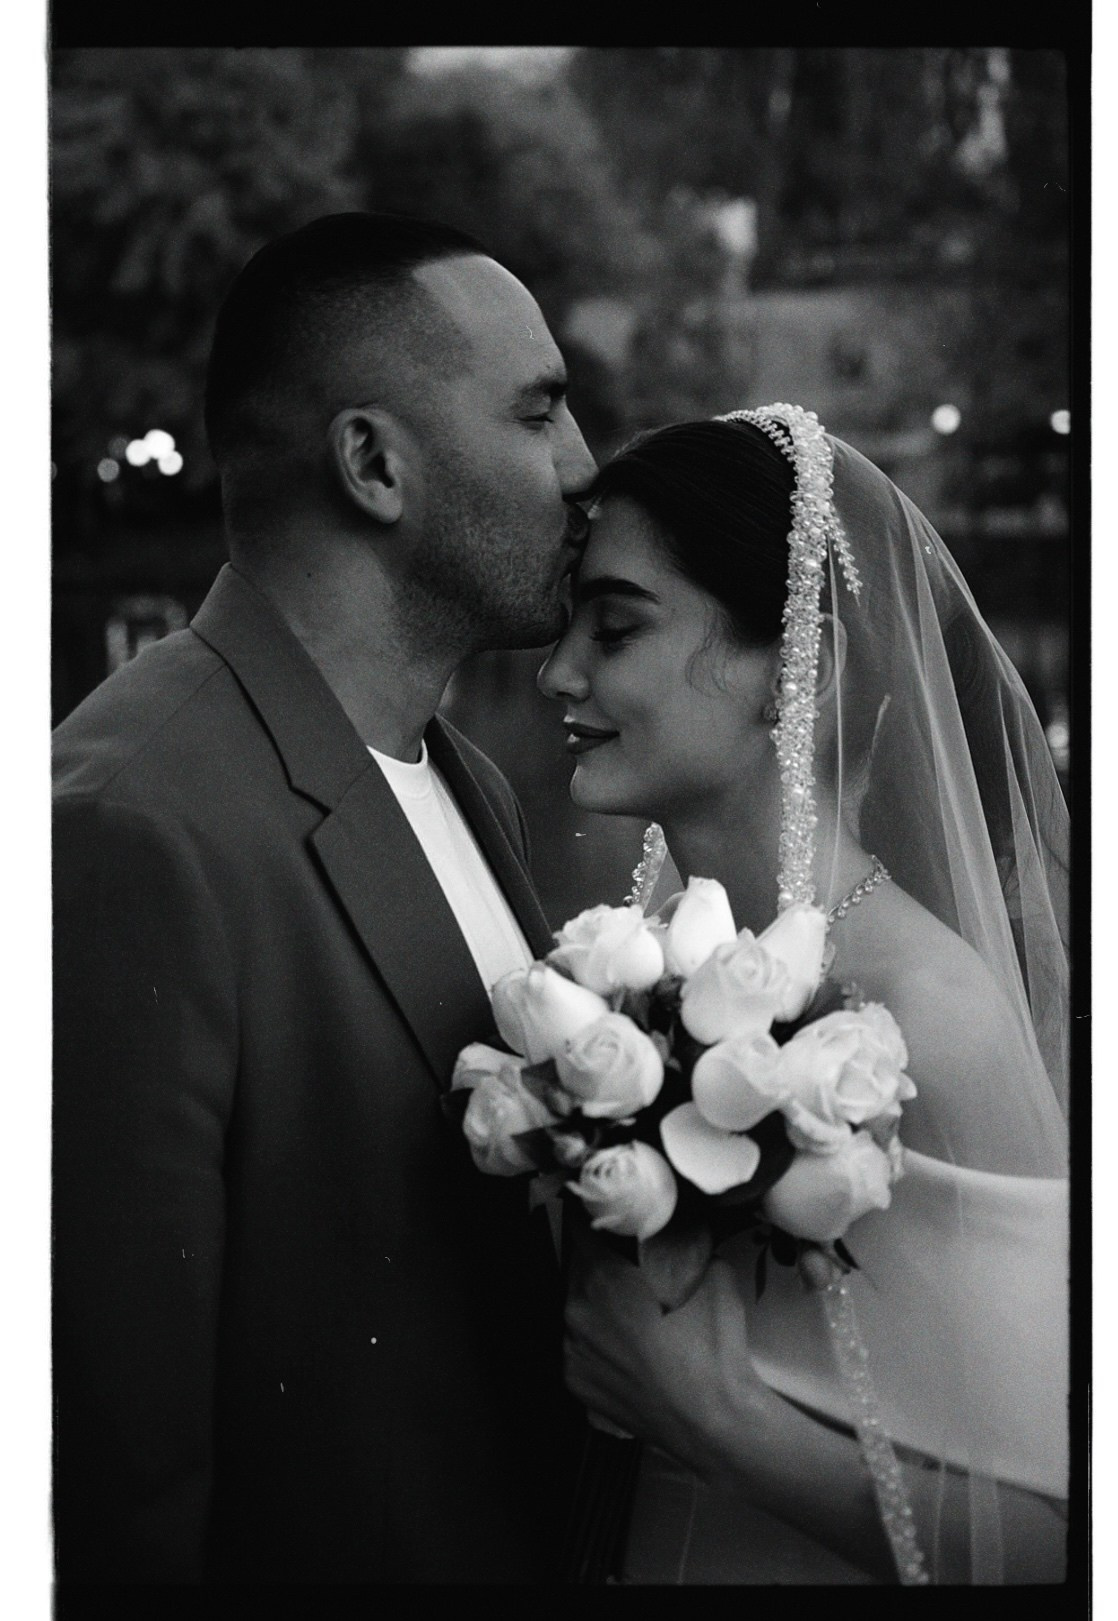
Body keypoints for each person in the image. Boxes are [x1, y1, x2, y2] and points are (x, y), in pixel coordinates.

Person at [51, 212, 599, 1584]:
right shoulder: (126, 825)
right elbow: (120, 1472)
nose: (583, 466)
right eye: (538, 412)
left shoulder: (468, 775)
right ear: (372, 464)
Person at [538, 406, 1070, 1584]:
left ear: (799, 668)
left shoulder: (931, 1017)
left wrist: (715, 1417)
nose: (557, 670)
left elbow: (1056, 1542)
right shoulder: (629, 964)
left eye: (613, 627)